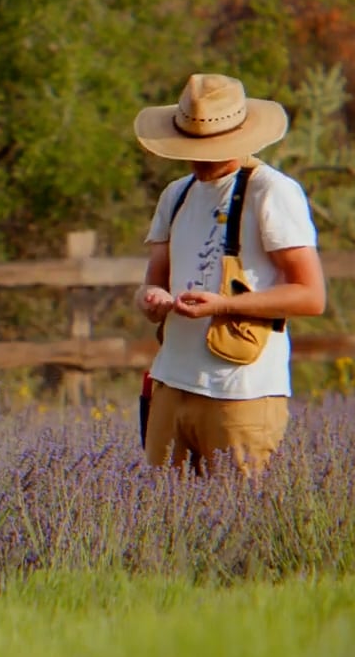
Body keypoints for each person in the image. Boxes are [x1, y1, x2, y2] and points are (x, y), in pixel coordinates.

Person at [132, 73, 326, 474]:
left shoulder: (271, 191)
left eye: (210, 148)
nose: (199, 158)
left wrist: (222, 306)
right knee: (159, 511)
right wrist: (151, 300)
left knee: (240, 513)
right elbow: (154, 280)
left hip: (241, 393)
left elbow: (310, 295)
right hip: (170, 383)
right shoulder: (175, 194)